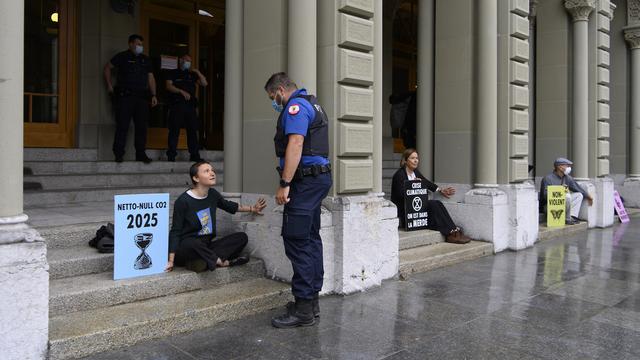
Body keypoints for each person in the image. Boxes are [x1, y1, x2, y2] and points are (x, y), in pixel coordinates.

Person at [264, 72, 332, 328]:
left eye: (273, 97)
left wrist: (285, 183)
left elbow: (296, 143)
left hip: (305, 182)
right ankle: (310, 302)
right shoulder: (313, 103)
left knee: (297, 240)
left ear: (281, 90)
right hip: (317, 180)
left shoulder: (295, 107)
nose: (275, 102)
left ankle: (304, 308)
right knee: (311, 238)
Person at [165, 161, 267, 273]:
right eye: (206, 171)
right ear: (196, 178)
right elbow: (175, 231)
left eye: (212, 170)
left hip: (206, 246)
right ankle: (222, 262)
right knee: (191, 243)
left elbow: (229, 206)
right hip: (187, 248)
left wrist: (253, 208)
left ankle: (202, 262)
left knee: (242, 237)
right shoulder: (183, 201)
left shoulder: (212, 194)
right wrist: (171, 261)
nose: (212, 173)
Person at [390, 148, 471, 244]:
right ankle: (449, 233)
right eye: (412, 158)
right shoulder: (399, 175)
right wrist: (413, 186)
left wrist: (440, 190)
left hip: (416, 207)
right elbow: (399, 196)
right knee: (432, 205)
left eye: (417, 158)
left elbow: (426, 182)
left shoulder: (415, 172)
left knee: (437, 203)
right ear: (405, 160)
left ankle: (453, 229)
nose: (416, 160)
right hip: (406, 211)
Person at [104, 34, 158, 163]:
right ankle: (118, 154)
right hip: (125, 97)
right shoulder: (122, 56)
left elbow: (151, 78)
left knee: (141, 127)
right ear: (130, 44)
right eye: (138, 44)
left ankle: (140, 154)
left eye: (141, 44)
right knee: (122, 126)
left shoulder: (145, 59)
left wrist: (154, 94)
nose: (140, 46)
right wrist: (109, 85)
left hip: (141, 98)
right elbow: (107, 68)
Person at [165, 54, 207, 162]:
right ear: (181, 60)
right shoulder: (173, 72)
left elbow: (204, 83)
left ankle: (194, 155)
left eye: (190, 61)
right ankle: (171, 155)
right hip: (177, 105)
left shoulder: (192, 75)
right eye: (186, 60)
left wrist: (198, 72)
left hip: (190, 106)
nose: (188, 62)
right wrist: (180, 91)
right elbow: (168, 86)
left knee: (192, 131)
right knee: (174, 130)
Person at [539, 157, 593, 225]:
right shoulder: (547, 178)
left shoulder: (567, 178)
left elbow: (577, 188)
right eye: (567, 165)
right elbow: (545, 196)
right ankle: (566, 219)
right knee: (566, 196)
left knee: (578, 195)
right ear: (559, 167)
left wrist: (588, 196)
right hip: (548, 206)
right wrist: (560, 192)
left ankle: (571, 216)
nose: (569, 168)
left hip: (563, 203)